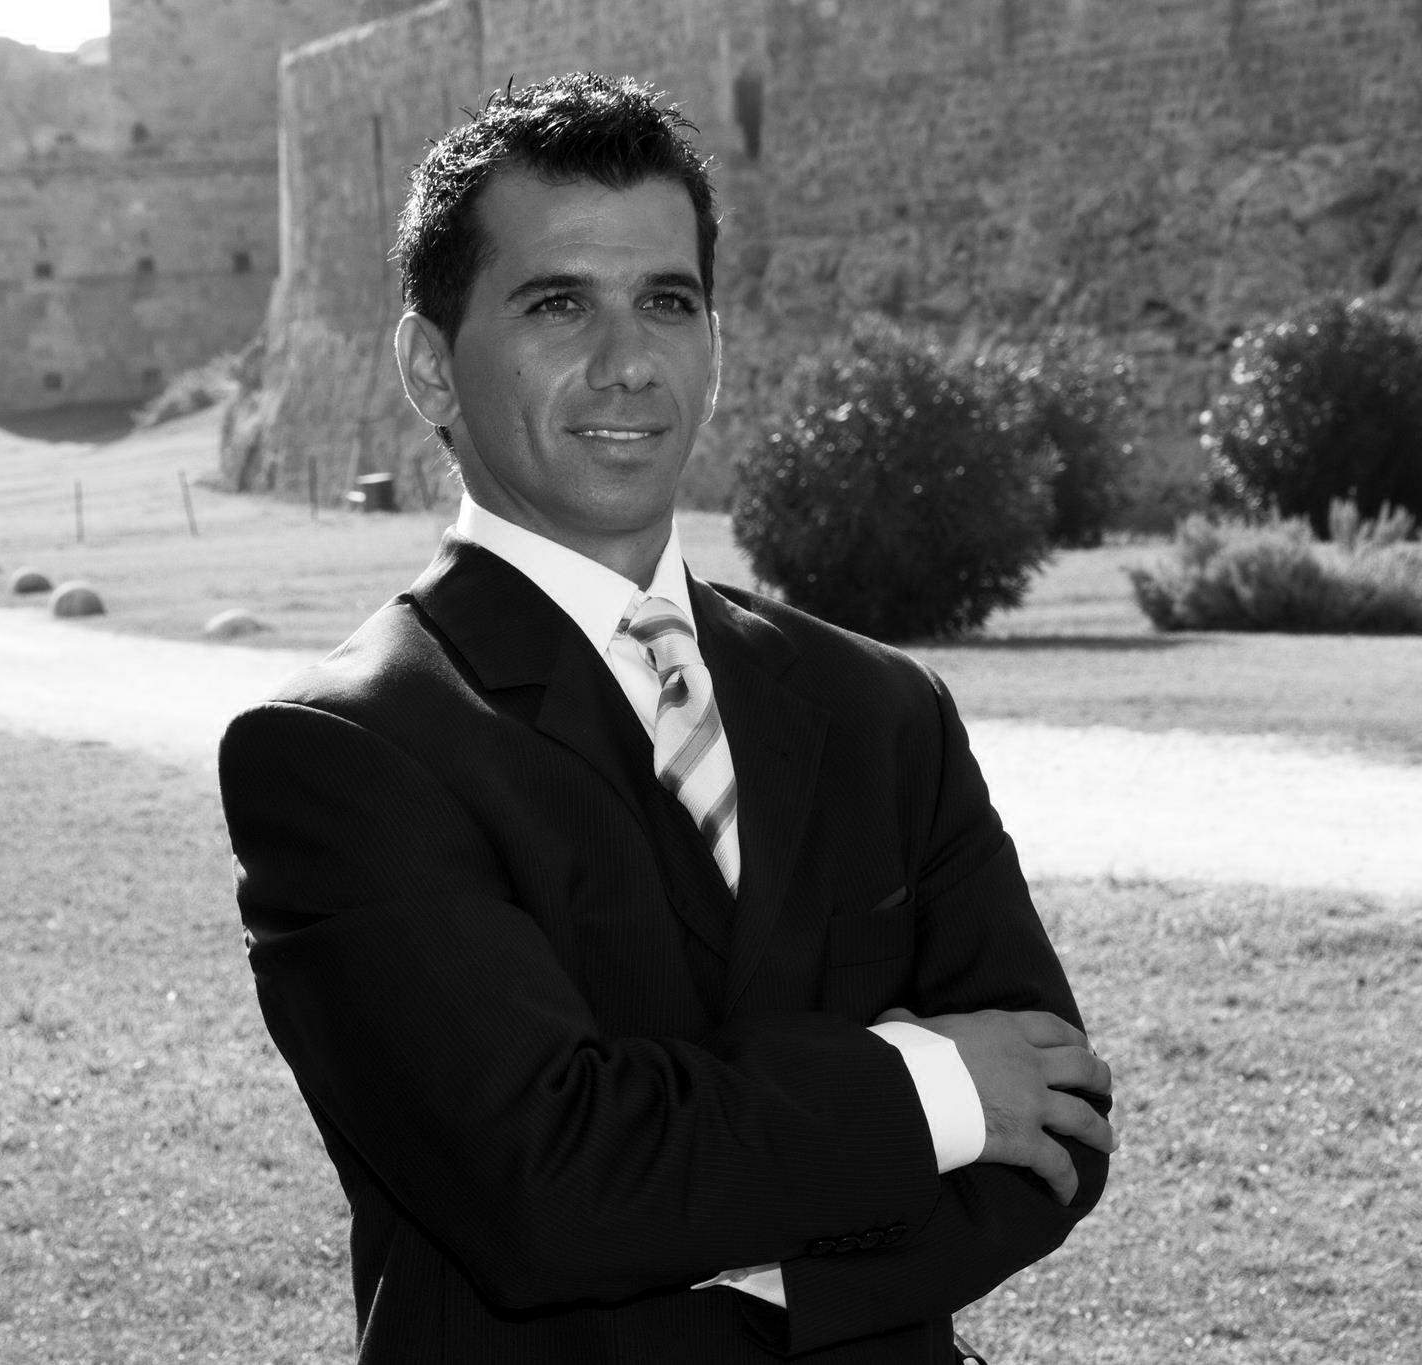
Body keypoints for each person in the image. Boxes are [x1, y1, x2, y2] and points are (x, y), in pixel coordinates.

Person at [217, 72, 1114, 1364]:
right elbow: (547, 1188)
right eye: (557, 303)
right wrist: (935, 1087)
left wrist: (736, 1250)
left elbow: (1061, 1118)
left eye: (668, 301)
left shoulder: (880, 706)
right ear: (430, 367)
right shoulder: (346, 752)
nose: (627, 361)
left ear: (716, 344)